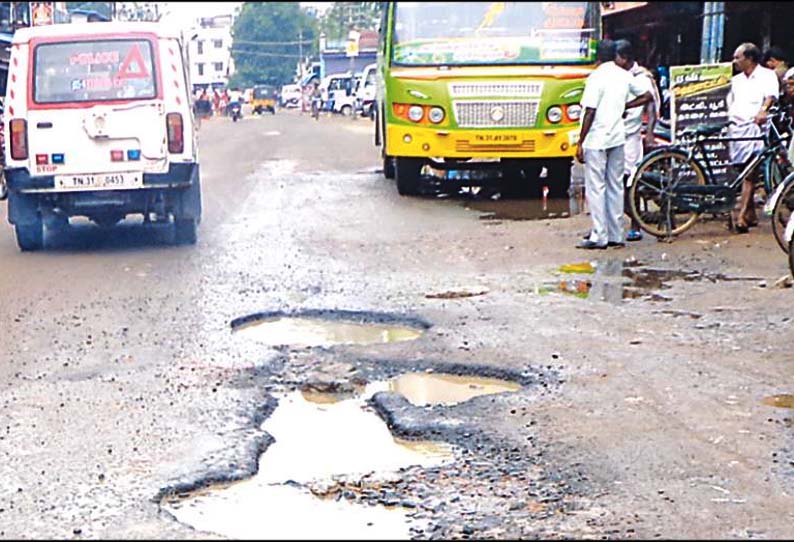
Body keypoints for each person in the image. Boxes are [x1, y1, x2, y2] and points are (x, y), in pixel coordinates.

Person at [575, 39, 653, 250]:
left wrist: (580, 142)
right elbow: (647, 95)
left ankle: (599, 235)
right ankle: (615, 235)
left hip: (597, 139)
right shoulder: (624, 75)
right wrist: (625, 106)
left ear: (597, 56)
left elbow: (590, 111)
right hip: (618, 138)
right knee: (615, 186)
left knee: (596, 187)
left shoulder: (596, 77)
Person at [727, 42, 779, 232]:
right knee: (742, 170)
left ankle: (741, 216)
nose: (735, 61)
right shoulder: (737, 80)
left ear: (749, 59)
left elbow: (771, 96)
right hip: (737, 129)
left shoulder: (766, 75)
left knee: (750, 172)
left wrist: (763, 111)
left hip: (755, 128)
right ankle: (750, 214)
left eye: (737, 57)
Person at [615, 39, 661, 242]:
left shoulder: (641, 77)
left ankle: (636, 224)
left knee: (630, 182)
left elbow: (650, 104)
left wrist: (649, 132)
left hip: (631, 136)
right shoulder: (620, 75)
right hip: (617, 134)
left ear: (624, 58)